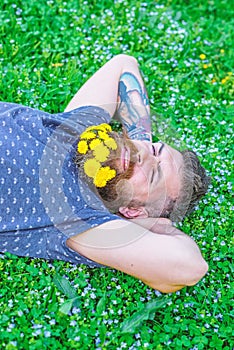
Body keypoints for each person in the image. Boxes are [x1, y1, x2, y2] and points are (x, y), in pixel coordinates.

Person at [0, 54, 209, 293]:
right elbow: (123, 64)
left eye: (153, 175)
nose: (145, 157)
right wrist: (139, 143)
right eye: (154, 149)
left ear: (132, 210)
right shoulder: (82, 129)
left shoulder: (80, 219)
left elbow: (191, 267)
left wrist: (149, 225)